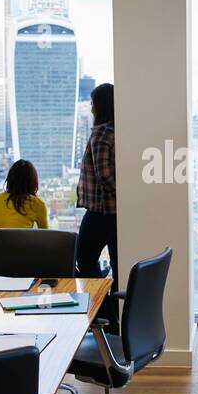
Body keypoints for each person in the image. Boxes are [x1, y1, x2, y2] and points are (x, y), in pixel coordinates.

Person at [76, 82, 118, 285]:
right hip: (117, 212)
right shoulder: (118, 130)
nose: (91, 107)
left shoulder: (101, 133)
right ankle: (116, 313)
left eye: (93, 102)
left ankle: (102, 308)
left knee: (84, 259)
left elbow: (105, 176)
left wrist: (120, 193)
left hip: (101, 211)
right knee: (119, 264)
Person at [0, 159, 48, 229]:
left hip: (0, 240)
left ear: (10, 178)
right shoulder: (37, 204)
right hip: (24, 240)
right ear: (32, 181)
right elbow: (45, 237)